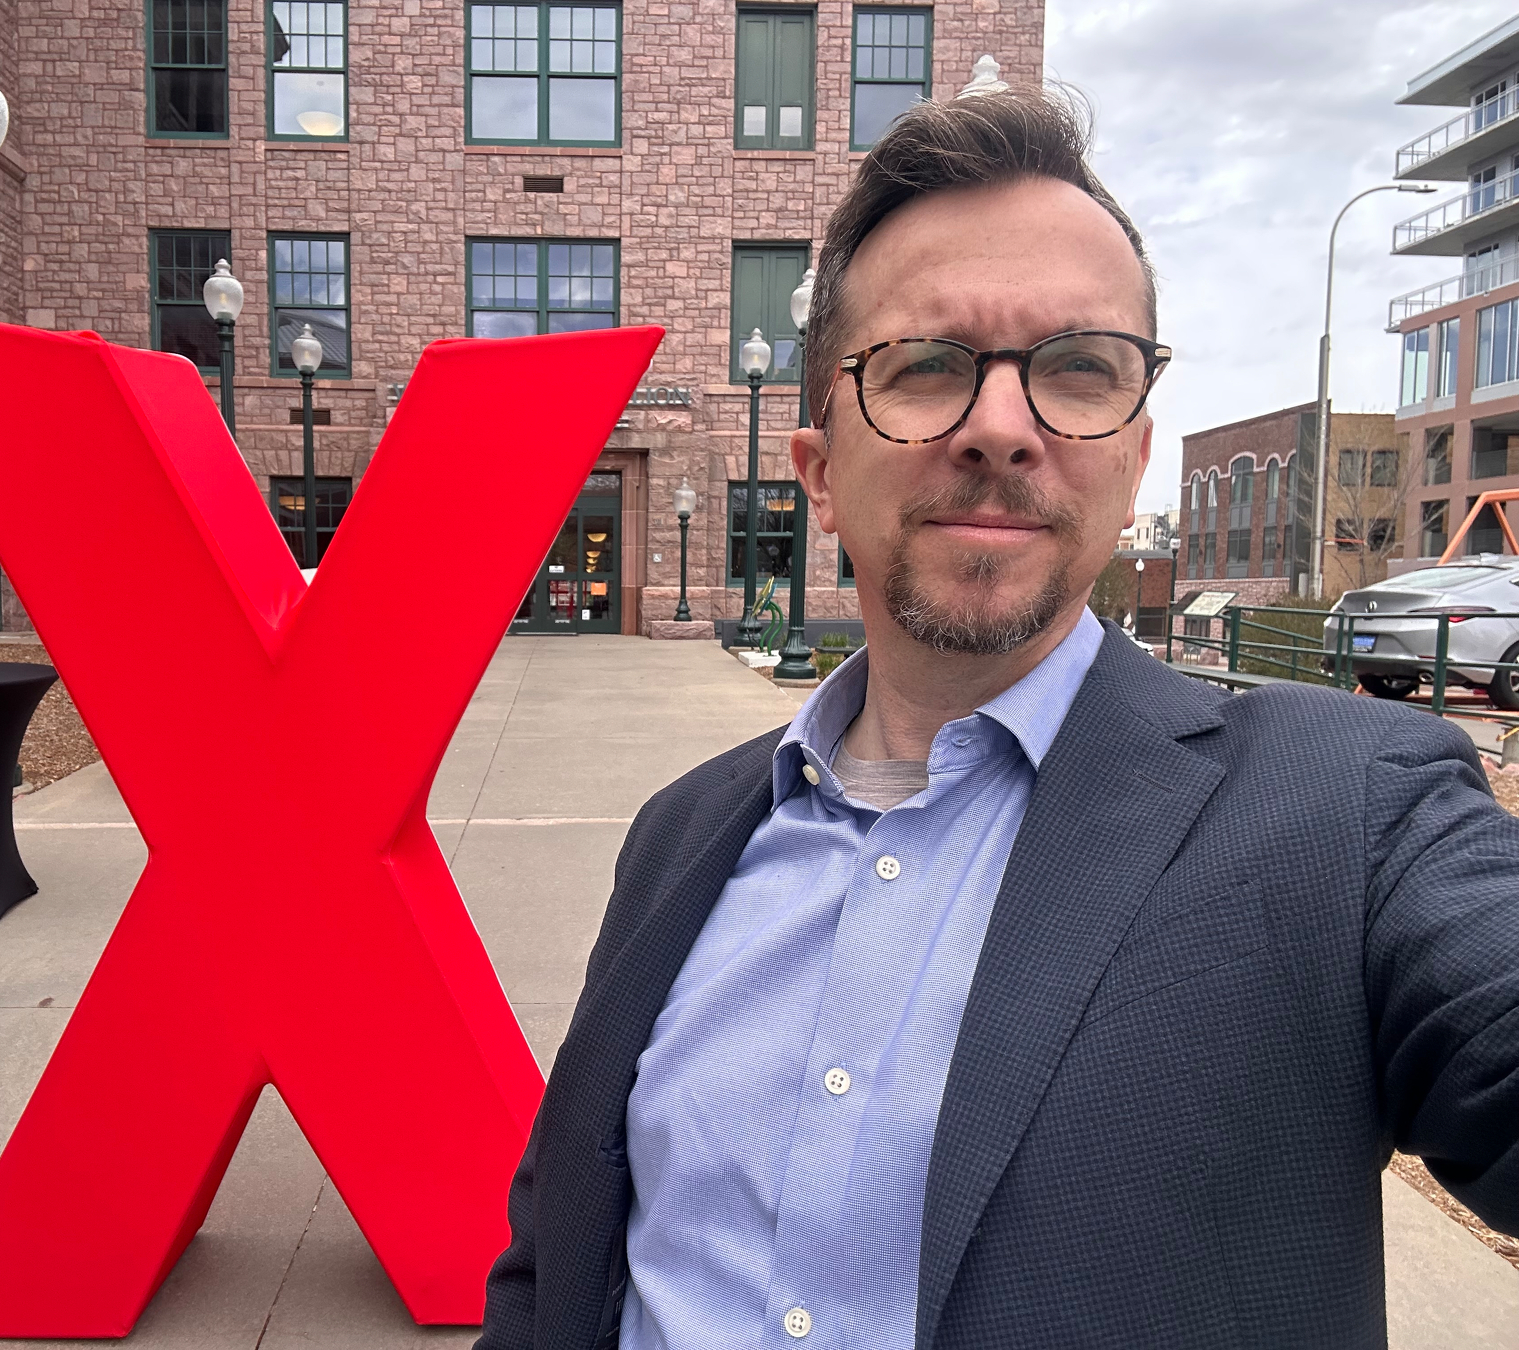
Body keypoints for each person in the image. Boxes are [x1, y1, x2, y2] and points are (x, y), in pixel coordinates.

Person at [476, 87, 1519, 1350]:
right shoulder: (678, 836)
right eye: (927, 366)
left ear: (1133, 459)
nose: (1000, 429)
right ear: (819, 472)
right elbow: (555, 1259)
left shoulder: (1352, 819)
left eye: (1078, 368)